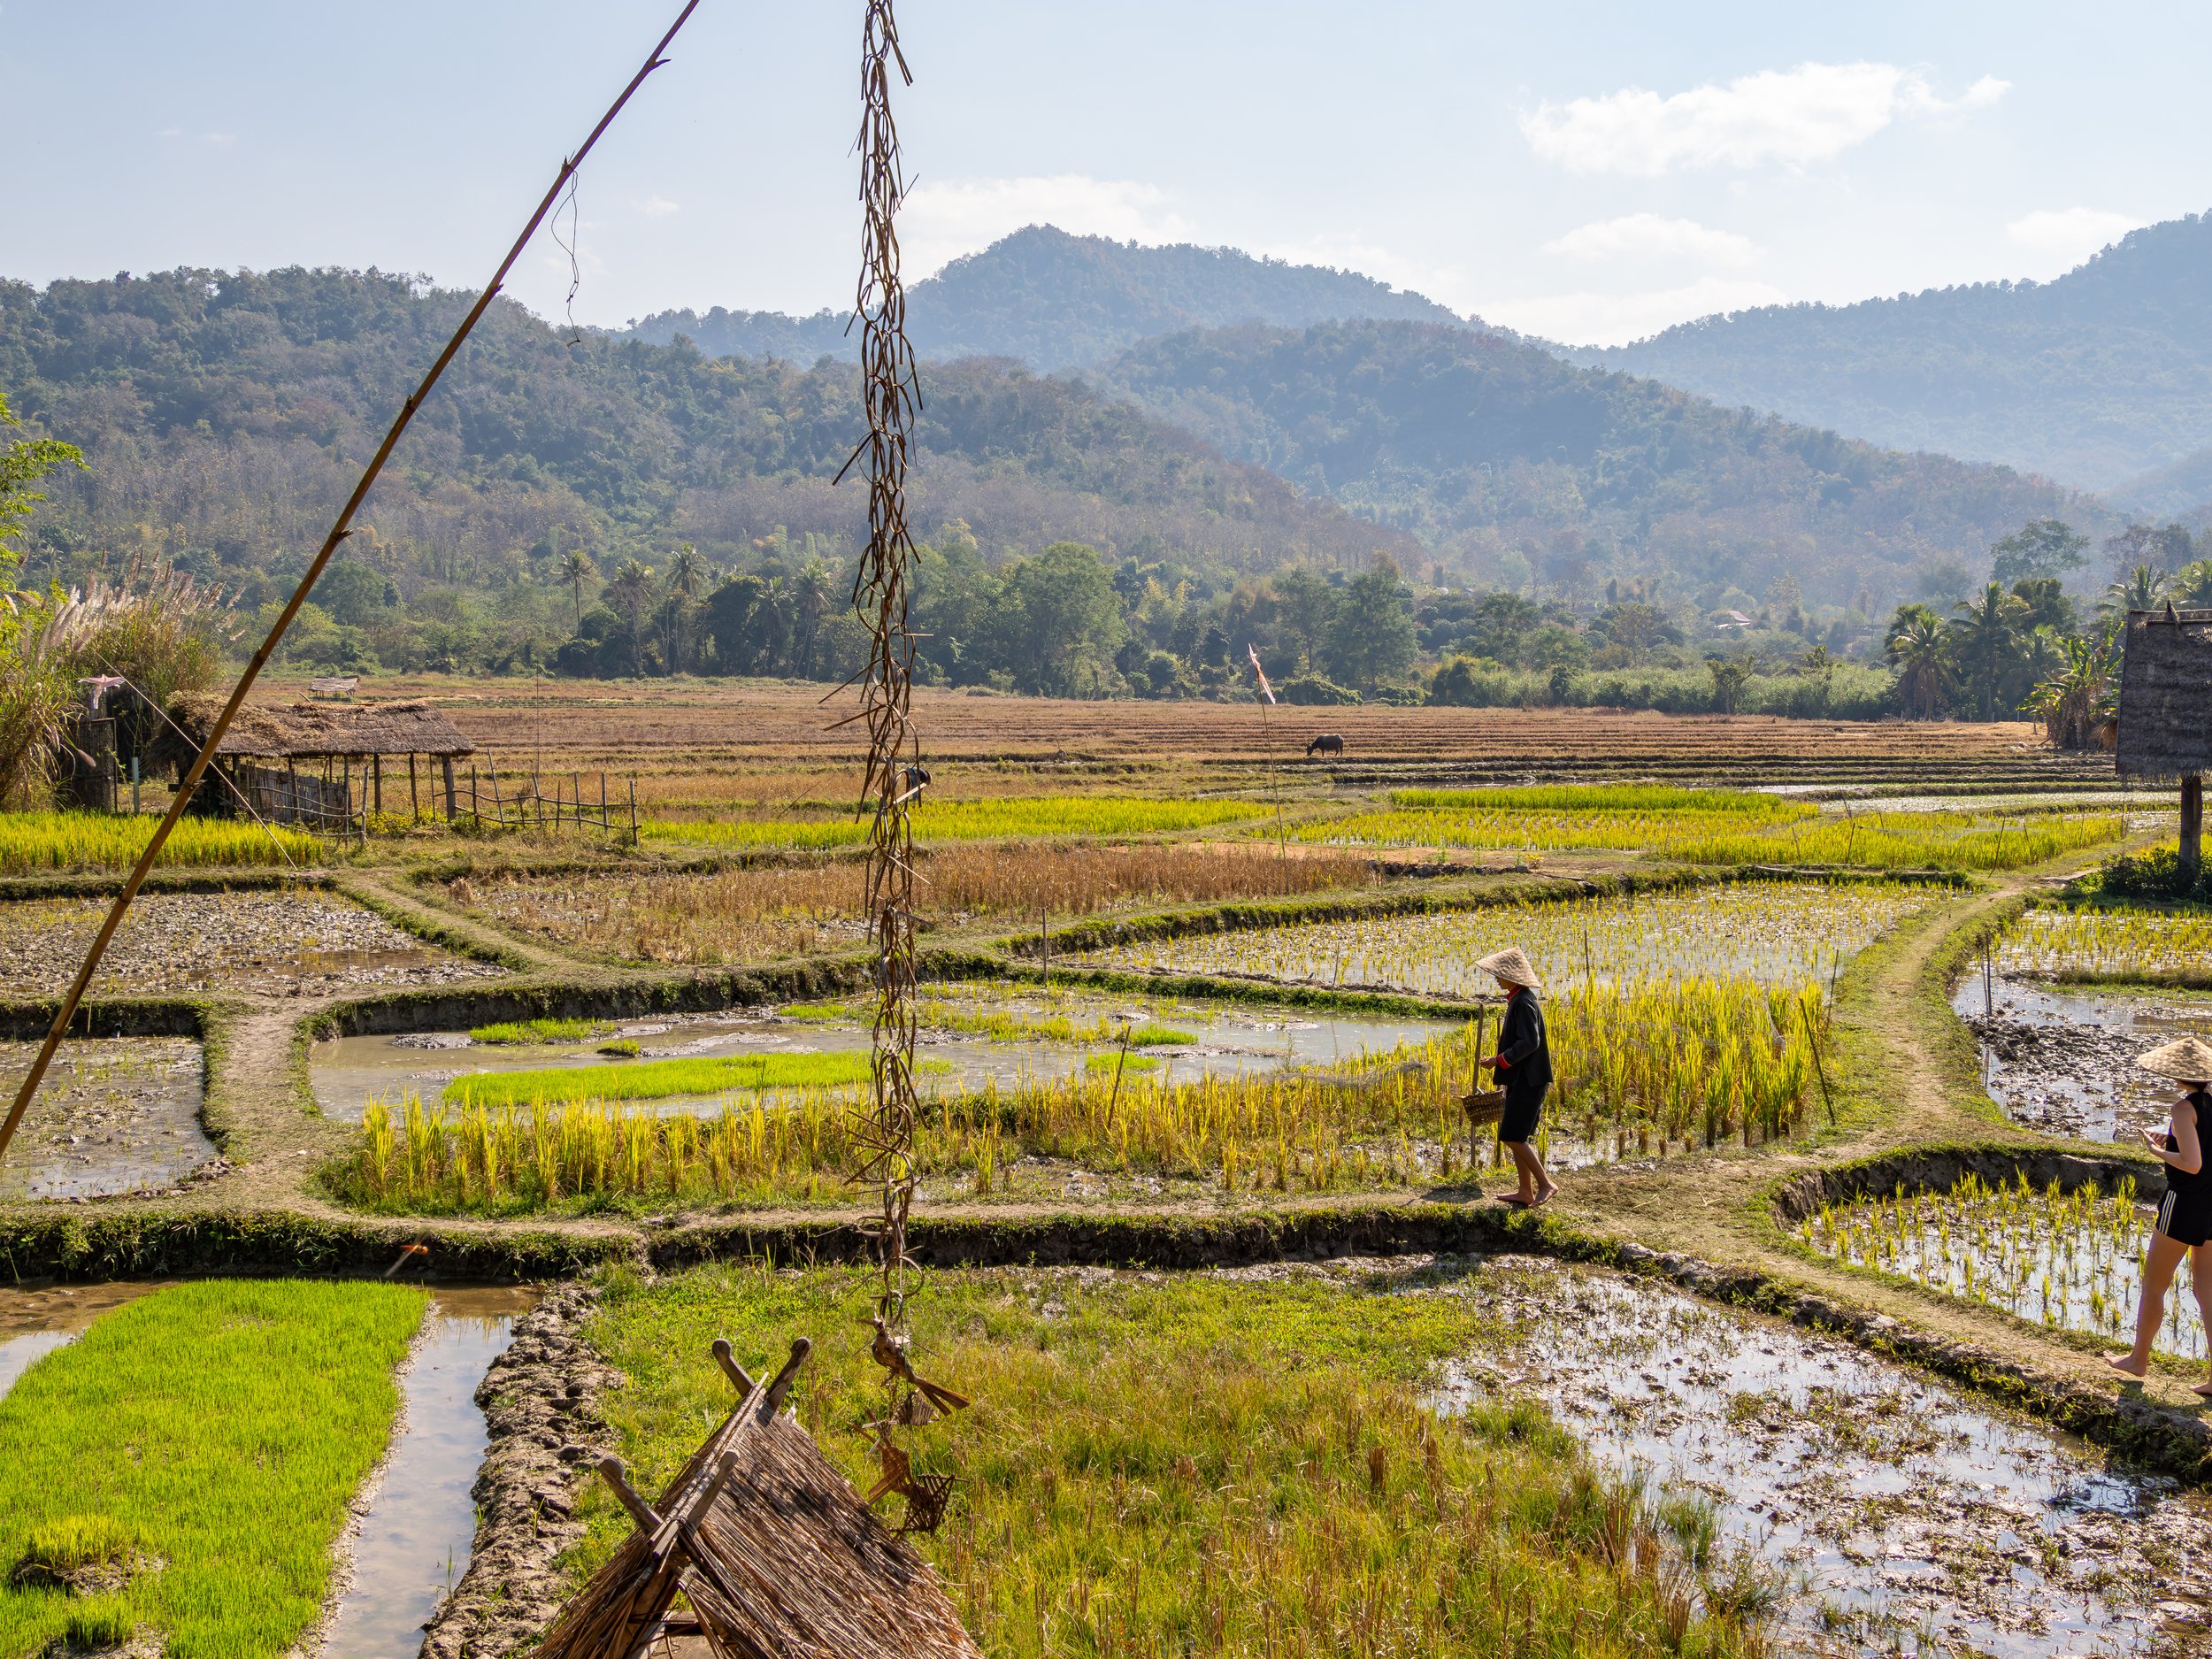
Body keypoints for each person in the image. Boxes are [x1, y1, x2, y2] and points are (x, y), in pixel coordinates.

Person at [2108, 1036, 2212, 1390]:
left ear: (2178, 1075)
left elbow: (2193, 1163)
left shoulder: (2183, 1109)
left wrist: (2156, 1150)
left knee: (2154, 1284)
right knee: (2208, 1291)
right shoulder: (2211, 1105)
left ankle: (2138, 1360)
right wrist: (2171, 1142)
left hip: (2183, 1204)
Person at [1477, 946, 1556, 1208]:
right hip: (1523, 1078)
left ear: (1513, 976)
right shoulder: (1520, 999)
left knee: (1511, 1135)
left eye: (1499, 974)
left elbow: (1529, 1042)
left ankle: (1545, 1184)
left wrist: (1499, 1061)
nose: (1496, 978)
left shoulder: (1523, 1002)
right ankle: (1525, 1191)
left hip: (1529, 1080)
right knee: (1517, 1135)